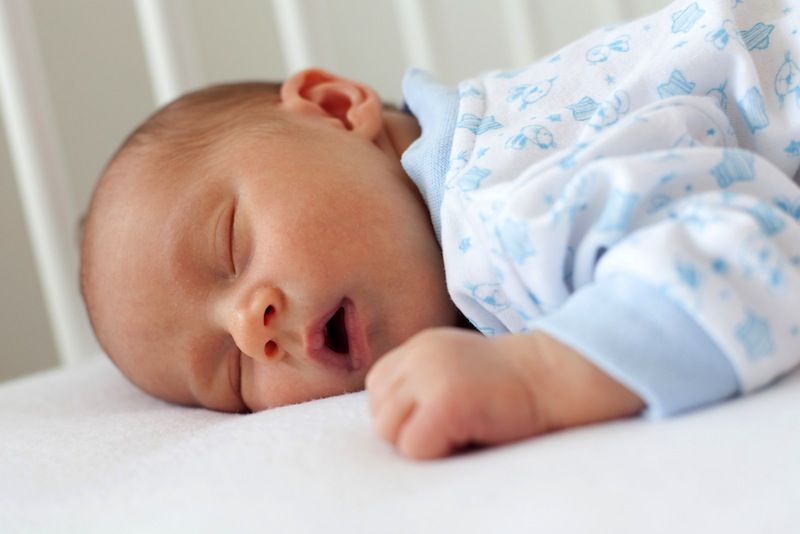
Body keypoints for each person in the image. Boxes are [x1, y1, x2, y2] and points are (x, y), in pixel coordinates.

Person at [80, 0, 800, 459]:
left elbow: (752, 253)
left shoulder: (495, 202)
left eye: (231, 243)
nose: (249, 329)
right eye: (232, 377)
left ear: (333, 108)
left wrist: (539, 375)